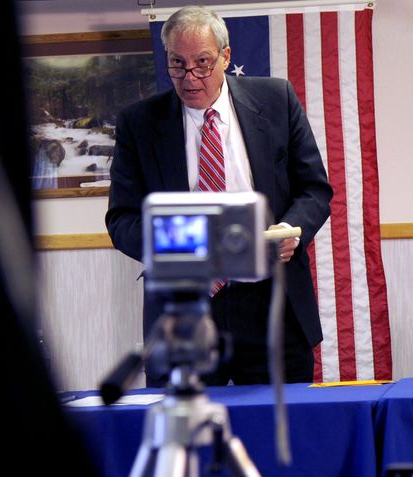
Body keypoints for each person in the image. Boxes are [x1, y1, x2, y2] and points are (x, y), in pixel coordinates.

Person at [105, 5, 333, 386]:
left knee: (282, 435)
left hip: (271, 304)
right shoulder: (139, 123)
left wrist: (291, 229)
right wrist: (180, 242)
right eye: (177, 64)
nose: (190, 78)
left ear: (226, 57)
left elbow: (314, 189)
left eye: (203, 63)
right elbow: (122, 220)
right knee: (185, 437)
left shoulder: (276, 100)